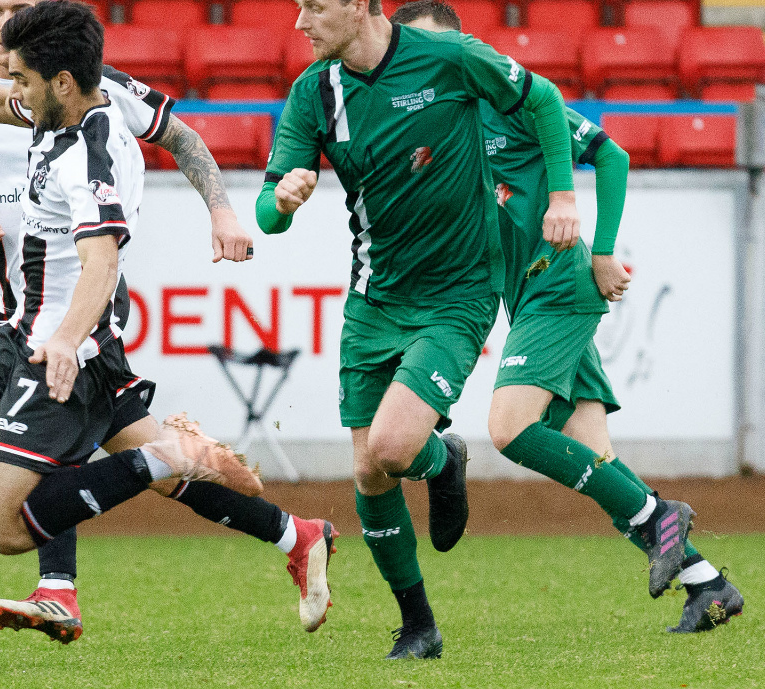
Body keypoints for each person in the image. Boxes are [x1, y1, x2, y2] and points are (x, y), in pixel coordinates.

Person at [0, 2, 336, 672]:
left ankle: (152, 475)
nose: (14, 92)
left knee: (5, 523)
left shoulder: (85, 155)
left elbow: (103, 262)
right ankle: (293, 534)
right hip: (24, 328)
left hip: (61, 340)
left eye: (25, 81)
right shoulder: (64, 108)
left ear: (59, 81)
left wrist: (67, 340)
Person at [392, 0, 743, 634]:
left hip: (558, 286)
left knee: (509, 429)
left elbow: (613, 156)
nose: (418, 60)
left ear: (458, 47)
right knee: (594, 457)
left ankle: (659, 515)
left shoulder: (514, 98)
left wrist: (603, 251)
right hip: (525, 297)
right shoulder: (434, 122)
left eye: (427, 46)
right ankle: (707, 585)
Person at [257, 0, 593, 659]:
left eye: (314, 7)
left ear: (360, 6)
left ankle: (441, 458)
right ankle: (418, 625)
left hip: (457, 295)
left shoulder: (449, 56)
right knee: (369, 471)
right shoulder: (313, 92)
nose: (300, 22)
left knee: (390, 446)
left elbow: (544, 98)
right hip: (373, 300)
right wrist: (283, 200)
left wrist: (562, 195)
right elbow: (269, 214)